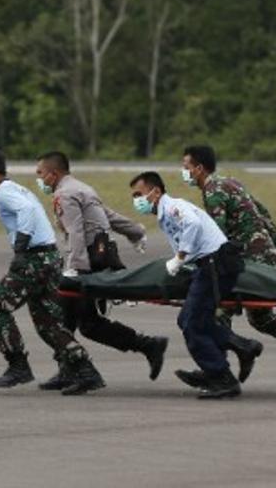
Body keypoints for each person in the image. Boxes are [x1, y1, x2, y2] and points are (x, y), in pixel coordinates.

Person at [182, 145, 276, 386]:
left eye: (186, 167)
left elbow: (215, 236)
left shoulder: (212, 192)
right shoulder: (231, 182)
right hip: (262, 251)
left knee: (218, 308)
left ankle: (221, 368)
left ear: (199, 169)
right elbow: (260, 209)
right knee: (261, 318)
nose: (184, 171)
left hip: (250, 257)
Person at [0, 147, 103, 395]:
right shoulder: (15, 188)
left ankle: (18, 364)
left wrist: (21, 247)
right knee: (48, 322)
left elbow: (28, 212)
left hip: (35, 259)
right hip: (49, 257)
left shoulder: (2, 192)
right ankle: (85, 370)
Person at [34, 151, 169, 390]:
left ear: (53, 174)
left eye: (41, 174)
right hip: (99, 257)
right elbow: (106, 216)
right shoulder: (82, 188)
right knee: (67, 317)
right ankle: (68, 369)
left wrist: (75, 270)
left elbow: (76, 232)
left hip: (86, 262)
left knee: (86, 324)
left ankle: (146, 346)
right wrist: (135, 231)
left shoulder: (64, 194)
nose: (39, 178)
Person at [129, 171, 262, 399]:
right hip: (210, 265)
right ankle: (242, 346)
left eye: (139, 194)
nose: (137, 200)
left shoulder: (172, 208)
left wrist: (180, 256)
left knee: (191, 324)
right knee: (188, 320)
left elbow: (192, 225)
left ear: (156, 191)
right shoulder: (166, 212)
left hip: (215, 264)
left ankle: (221, 377)